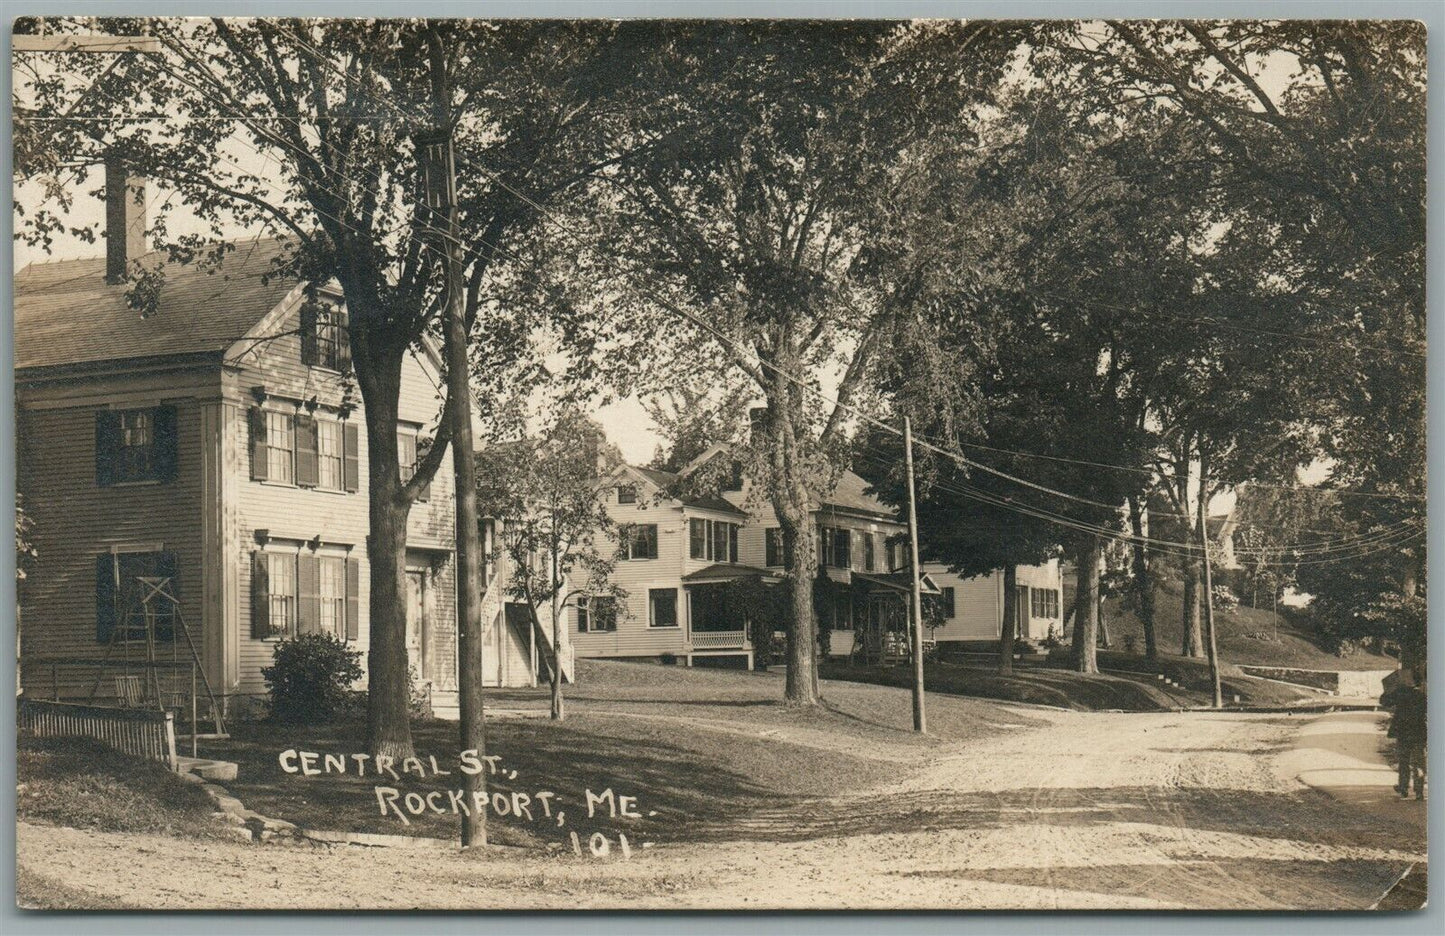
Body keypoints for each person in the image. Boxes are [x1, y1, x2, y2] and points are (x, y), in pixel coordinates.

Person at [1382, 667, 1427, 800]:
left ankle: (1403, 788)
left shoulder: (1401, 693)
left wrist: (1388, 690)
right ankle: (1419, 792)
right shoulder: (1421, 695)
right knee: (1419, 761)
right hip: (1419, 732)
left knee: (1404, 761)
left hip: (1403, 731)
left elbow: (1384, 702)